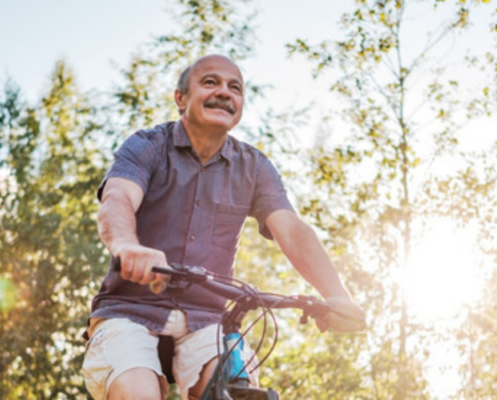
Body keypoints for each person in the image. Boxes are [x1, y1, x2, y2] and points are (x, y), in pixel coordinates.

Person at [81, 54, 366, 400]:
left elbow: (291, 230)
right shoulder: (147, 146)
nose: (224, 93)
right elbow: (117, 199)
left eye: (236, 88)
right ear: (180, 98)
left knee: (237, 391)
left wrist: (336, 295)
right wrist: (128, 246)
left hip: (207, 320)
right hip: (131, 311)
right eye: (210, 83)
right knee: (135, 393)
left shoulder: (254, 167)